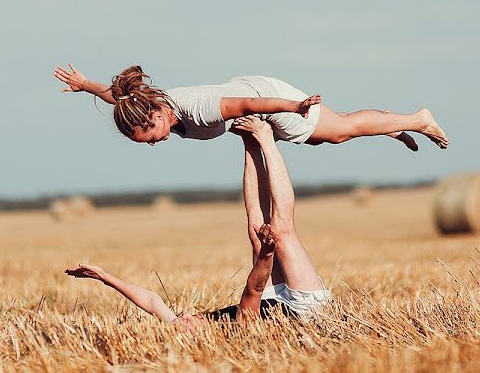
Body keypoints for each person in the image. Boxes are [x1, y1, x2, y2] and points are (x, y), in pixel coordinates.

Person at [65, 116, 332, 326]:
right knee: (282, 231)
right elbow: (254, 287)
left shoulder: (187, 323)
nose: (186, 319)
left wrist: (105, 278)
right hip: (305, 308)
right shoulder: (242, 325)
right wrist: (268, 251)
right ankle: (265, 138)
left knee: (254, 230)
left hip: (274, 299)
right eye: (189, 326)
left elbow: (152, 301)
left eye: (181, 322)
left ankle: (249, 142)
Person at [54, 64, 448, 151]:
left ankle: (417, 119)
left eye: (151, 136)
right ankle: (387, 126)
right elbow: (120, 97)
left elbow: (248, 104)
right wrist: (86, 85)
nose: (154, 142)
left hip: (266, 99)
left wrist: (294, 106)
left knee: (340, 131)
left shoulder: (201, 109)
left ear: (159, 117)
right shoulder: (144, 105)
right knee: (319, 140)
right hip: (255, 96)